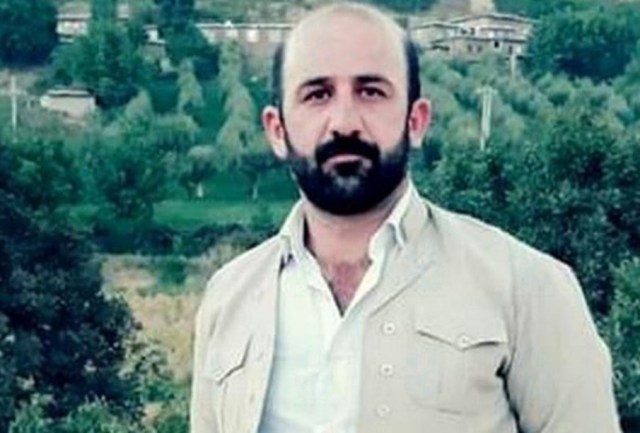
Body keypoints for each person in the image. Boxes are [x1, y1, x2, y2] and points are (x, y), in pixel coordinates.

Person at [190, 3, 622, 433]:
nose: (344, 123)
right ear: (277, 130)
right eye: (317, 94)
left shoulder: (525, 286)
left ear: (416, 121)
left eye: (371, 92)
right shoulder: (229, 299)